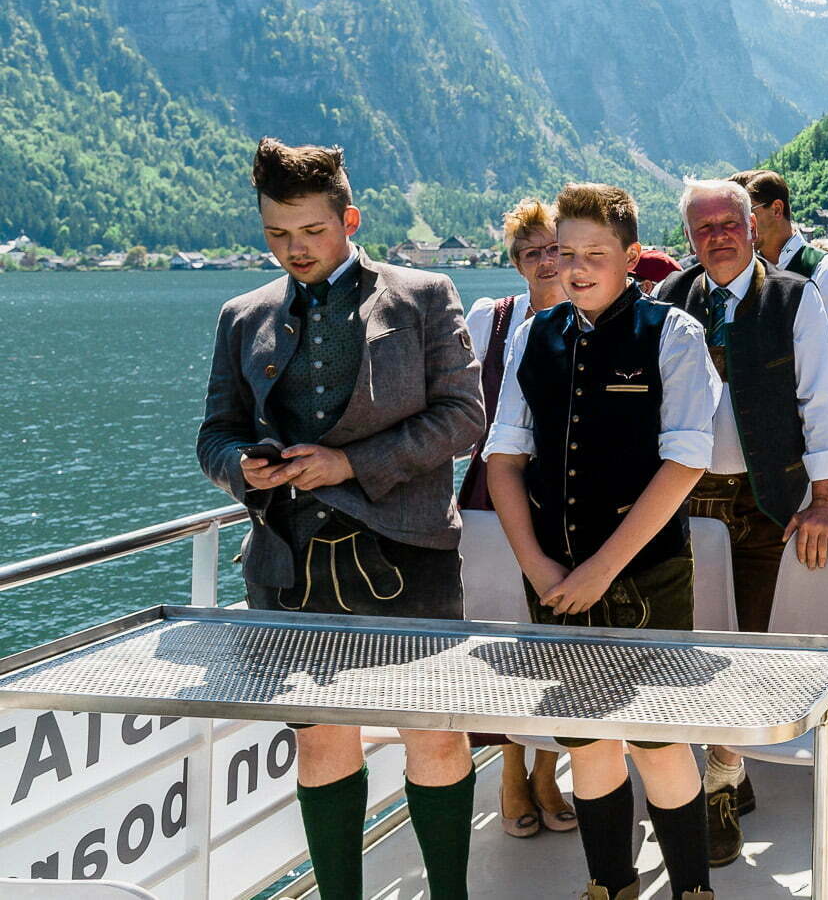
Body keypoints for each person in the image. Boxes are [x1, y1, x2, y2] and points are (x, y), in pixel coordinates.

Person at [197, 139, 484, 900]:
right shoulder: (239, 315)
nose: (294, 249)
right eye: (276, 234)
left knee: (435, 731)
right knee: (321, 742)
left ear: (348, 218)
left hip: (410, 557)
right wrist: (242, 468)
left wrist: (349, 464)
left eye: (311, 232)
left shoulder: (424, 295)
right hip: (288, 565)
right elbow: (215, 433)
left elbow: (464, 418)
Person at [482, 183, 720, 900]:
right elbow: (502, 463)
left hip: (647, 574)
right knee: (586, 735)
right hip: (552, 572)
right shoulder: (533, 336)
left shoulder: (671, 334)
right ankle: (609, 886)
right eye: (564, 252)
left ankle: (691, 891)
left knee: (656, 736)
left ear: (631, 258)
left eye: (594, 254)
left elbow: (685, 462)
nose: (575, 267)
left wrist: (601, 569)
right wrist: (538, 566)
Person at [654, 179, 828, 866]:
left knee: (753, 643)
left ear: (752, 225)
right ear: (689, 238)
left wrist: (826, 496)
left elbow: (822, 400)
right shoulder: (668, 301)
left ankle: (722, 774)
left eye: (727, 222)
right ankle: (718, 779)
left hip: (770, 500)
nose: (717, 236)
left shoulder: (793, 296)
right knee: (695, 650)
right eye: (702, 227)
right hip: (688, 501)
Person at [456, 199, 577, 839]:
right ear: (516, 262)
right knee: (504, 630)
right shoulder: (490, 318)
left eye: (554, 247)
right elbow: (466, 406)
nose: (545, 260)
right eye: (531, 251)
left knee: (560, 626)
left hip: (566, 491)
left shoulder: (593, 315)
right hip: (492, 488)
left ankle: (549, 768)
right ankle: (509, 766)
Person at [731, 169, 828, 382]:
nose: (740, 226)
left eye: (746, 214)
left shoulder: (827, 271)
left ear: (777, 209)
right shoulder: (742, 275)